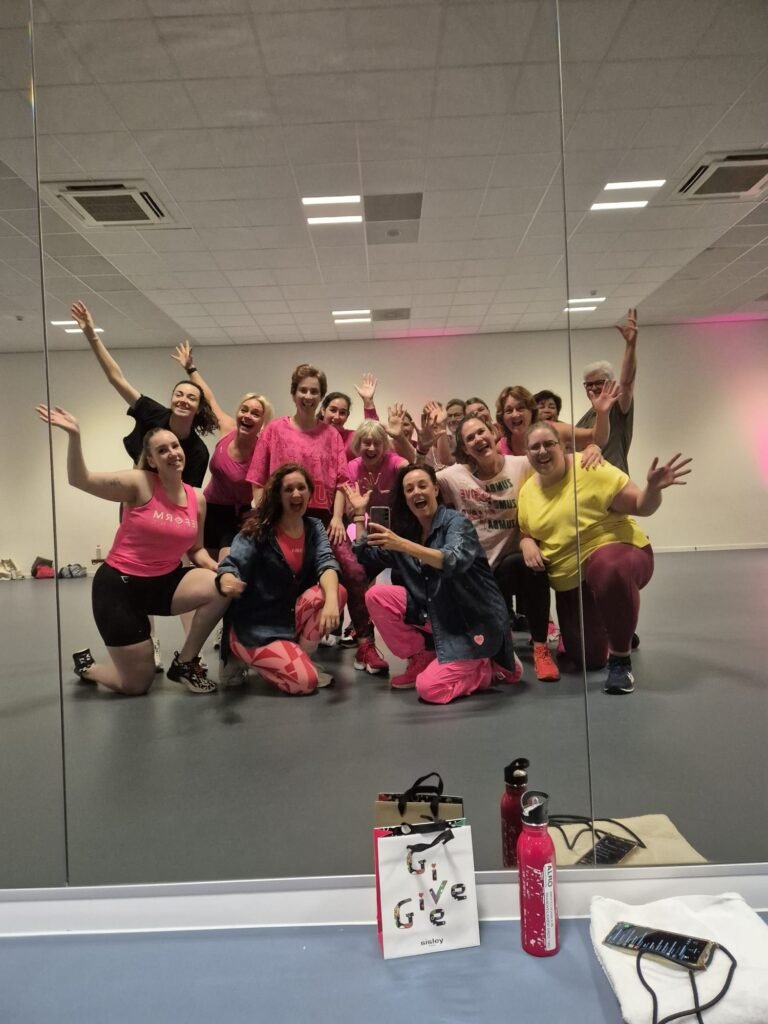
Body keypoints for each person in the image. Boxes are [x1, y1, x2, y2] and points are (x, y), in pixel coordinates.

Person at [37, 407, 228, 695]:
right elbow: (80, 479)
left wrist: (218, 568)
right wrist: (74, 436)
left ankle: (186, 663)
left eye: (174, 446)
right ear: (151, 460)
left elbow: (197, 549)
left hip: (163, 583)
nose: (172, 453)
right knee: (136, 684)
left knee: (220, 587)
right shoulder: (140, 483)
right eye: (162, 450)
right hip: (119, 588)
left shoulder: (197, 498)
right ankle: (88, 667)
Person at [517, 421, 691, 695]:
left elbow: (640, 505)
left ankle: (621, 661)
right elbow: (528, 531)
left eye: (548, 444)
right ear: (526, 453)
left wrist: (653, 489)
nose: (542, 451)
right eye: (534, 447)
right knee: (590, 660)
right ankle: (618, 623)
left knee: (608, 569)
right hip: (571, 580)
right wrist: (526, 542)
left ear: (562, 446)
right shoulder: (527, 492)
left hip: (617, 552)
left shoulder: (590, 468)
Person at [247, 362, 389, 675]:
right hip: (280, 518)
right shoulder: (274, 431)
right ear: (294, 393)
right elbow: (257, 479)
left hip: (323, 520)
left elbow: (341, 481)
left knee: (353, 571)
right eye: (303, 390)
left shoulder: (331, 435)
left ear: (320, 396)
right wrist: (264, 516)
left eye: (314, 391)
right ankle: (251, 645)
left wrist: (337, 518)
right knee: (265, 575)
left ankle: (365, 643)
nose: (308, 396)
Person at [345, 465, 522, 704]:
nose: (416, 492)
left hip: (471, 622)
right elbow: (366, 554)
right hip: (438, 613)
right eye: (409, 489)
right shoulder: (409, 531)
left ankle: (488, 667)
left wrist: (403, 545)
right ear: (405, 497)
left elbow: (452, 560)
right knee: (376, 595)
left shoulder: (457, 523)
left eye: (422, 485)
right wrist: (359, 515)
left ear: (435, 489)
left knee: (429, 689)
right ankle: (423, 657)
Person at [434, 415, 559, 681]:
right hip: (475, 575)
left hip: (508, 566)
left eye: (481, 432)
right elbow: (418, 480)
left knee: (531, 565)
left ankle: (540, 648)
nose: (478, 439)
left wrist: (593, 448)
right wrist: (422, 444)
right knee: (486, 649)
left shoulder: (521, 465)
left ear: (493, 433)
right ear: (466, 449)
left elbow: (558, 460)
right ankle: (497, 644)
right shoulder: (454, 476)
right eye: (470, 438)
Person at [216, 465, 346, 695]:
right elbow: (232, 564)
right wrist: (227, 579)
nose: (296, 494)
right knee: (306, 683)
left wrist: (332, 603)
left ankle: (300, 657)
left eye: (301, 488)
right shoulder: (258, 530)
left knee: (336, 592)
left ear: (309, 492)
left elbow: (326, 563)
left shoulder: (314, 527)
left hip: (286, 618)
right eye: (288, 489)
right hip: (255, 629)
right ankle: (238, 655)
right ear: (277, 495)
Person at [71, 302, 217, 487]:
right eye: (179, 394)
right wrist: (91, 334)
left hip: (168, 501)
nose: (183, 400)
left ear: (198, 409)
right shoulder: (153, 412)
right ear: (172, 399)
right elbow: (117, 379)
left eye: (191, 398)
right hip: (138, 488)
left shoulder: (198, 452)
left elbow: (189, 495)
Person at [576, 308, 638, 474]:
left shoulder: (617, 406)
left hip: (615, 484)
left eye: (599, 383)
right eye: (589, 384)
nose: (593, 388)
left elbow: (627, 382)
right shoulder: (584, 420)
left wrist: (630, 345)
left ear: (610, 383)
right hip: (589, 484)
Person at [496, 384, 615, 459]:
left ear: (531, 411)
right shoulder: (500, 447)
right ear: (502, 417)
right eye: (509, 411)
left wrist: (602, 414)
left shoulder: (554, 430)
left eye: (521, 408)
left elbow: (597, 438)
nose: (515, 414)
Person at [317, 373, 379, 459]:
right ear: (323, 411)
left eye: (342, 413)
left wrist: (368, 401)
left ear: (347, 415)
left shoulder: (353, 438)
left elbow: (374, 434)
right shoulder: (310, 435)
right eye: (333, 410)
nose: (337, 417)